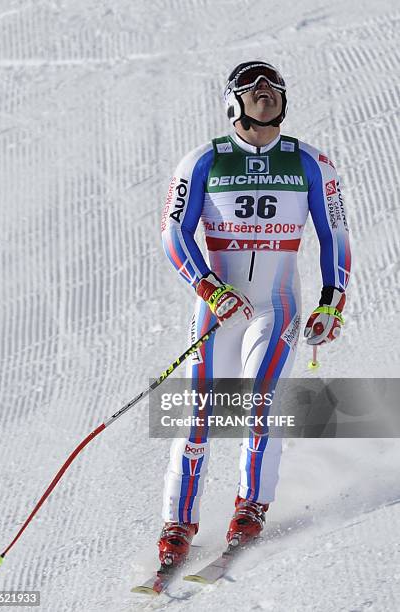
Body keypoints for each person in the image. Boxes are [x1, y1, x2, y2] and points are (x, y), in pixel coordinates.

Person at [158, 61, 351, 567]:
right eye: (253, 88)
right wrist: (208, 286)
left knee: (260, 404)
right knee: (199, 415)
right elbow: (173, 233)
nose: (265, 94)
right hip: (219, 306)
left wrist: (334, 300)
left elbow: (335, 235)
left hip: (276, 303)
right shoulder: (203, 160)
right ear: (232, 101)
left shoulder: (311, 161)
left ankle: (251, 507)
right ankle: (178, 522)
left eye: (274, 88)